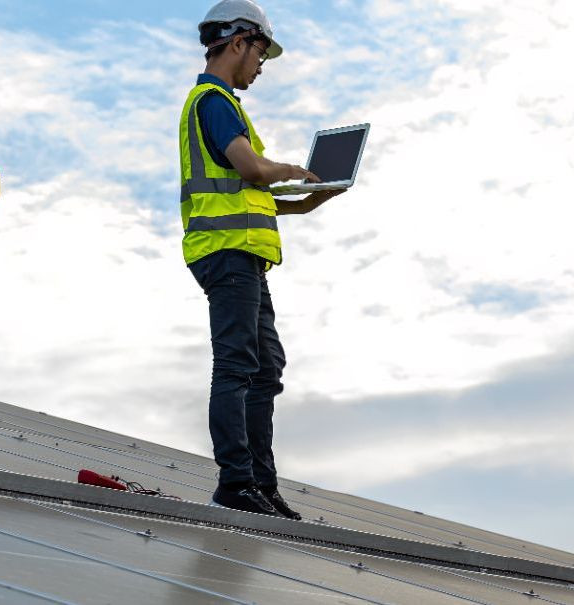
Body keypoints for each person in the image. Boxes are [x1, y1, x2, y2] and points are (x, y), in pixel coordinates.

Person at [181, 0, 343, 519]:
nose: (259, 66)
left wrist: (305, 200)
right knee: (237, 366)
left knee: (265, 367)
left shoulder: (222, 104)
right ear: (238, 42)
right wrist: (292, 168)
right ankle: (236, 483)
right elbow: (249, 168)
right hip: (225, 256)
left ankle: (260, 485)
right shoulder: (213, 101)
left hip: (242, 255)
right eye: (260, 54)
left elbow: (246, 192)